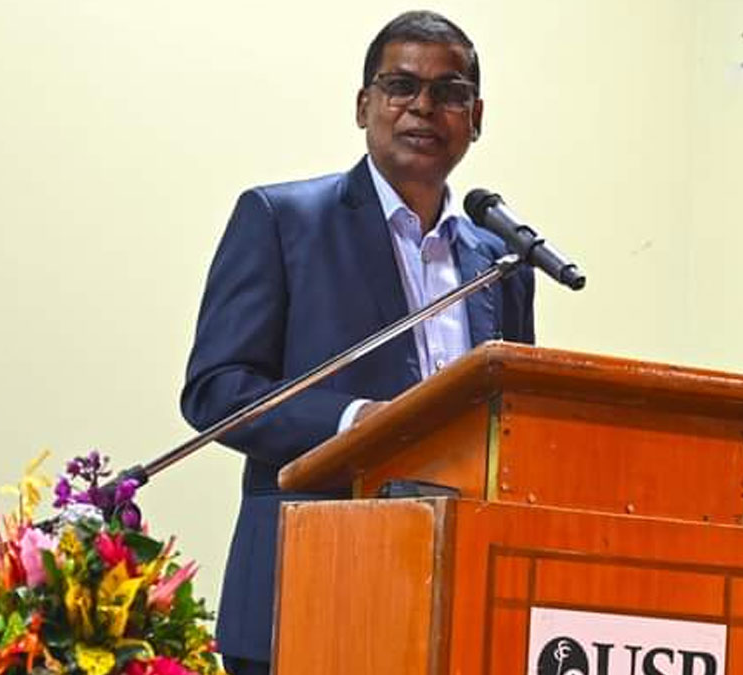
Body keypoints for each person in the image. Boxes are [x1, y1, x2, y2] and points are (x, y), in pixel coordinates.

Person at [180, 10, 535, 674]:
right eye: (401, 86)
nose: (423, 106)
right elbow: (217, 392)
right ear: (363, 104)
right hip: (305, 586)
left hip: (456, 599)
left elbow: (514, 426)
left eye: (449, 91)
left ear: (476, 117)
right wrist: (354, 421)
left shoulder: (499, 260)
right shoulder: (283, 219)